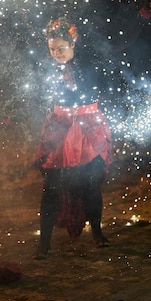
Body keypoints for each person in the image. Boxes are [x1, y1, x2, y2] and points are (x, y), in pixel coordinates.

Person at [34, 16, 113, 260]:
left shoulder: (91, 65)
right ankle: (44, 243)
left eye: (61, 48)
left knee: (90, 184)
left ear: (73, 45)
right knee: (52, 187)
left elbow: (107, 85)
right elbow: (38, 95)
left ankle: (98, 233)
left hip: (89, 128)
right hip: (60, 128)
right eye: (51, 49)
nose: (56, 53)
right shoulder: (45, 70)